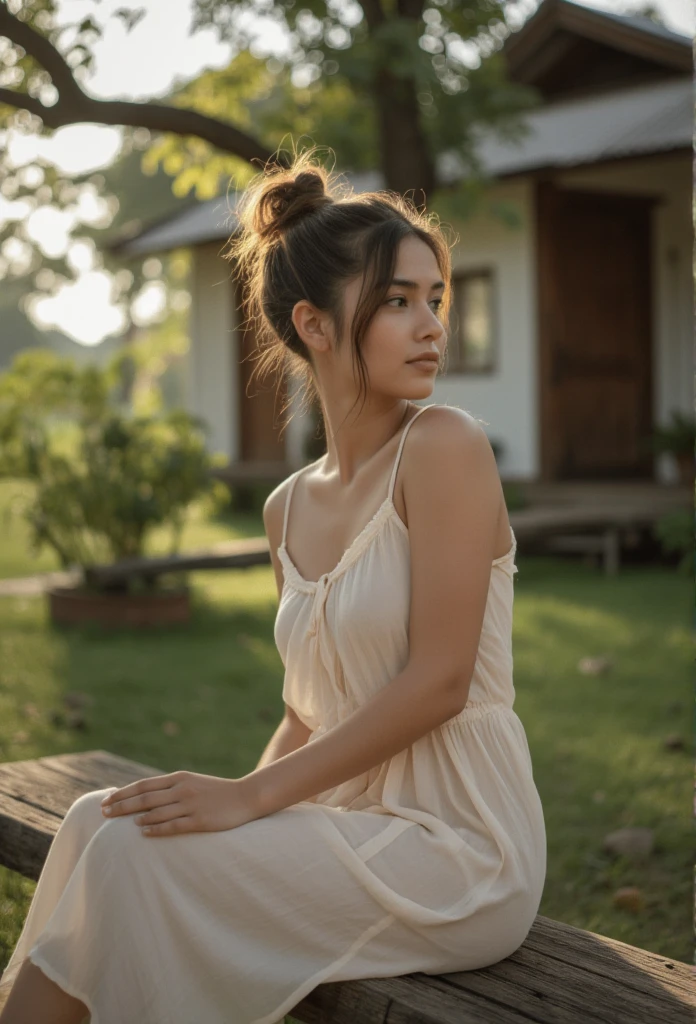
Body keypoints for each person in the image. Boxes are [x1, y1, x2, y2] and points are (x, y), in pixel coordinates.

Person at [0, 145, 546, 1024]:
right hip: (345, 821)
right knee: (99, 823)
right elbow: (304, 713)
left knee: (132, 860)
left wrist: (250, 801)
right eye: (399, 302)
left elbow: (441, 682)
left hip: (457, 844)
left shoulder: (445, 446)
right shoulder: (287, 507)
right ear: (316, 325)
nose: (433, 325)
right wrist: (234, 809)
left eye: (434, 299)